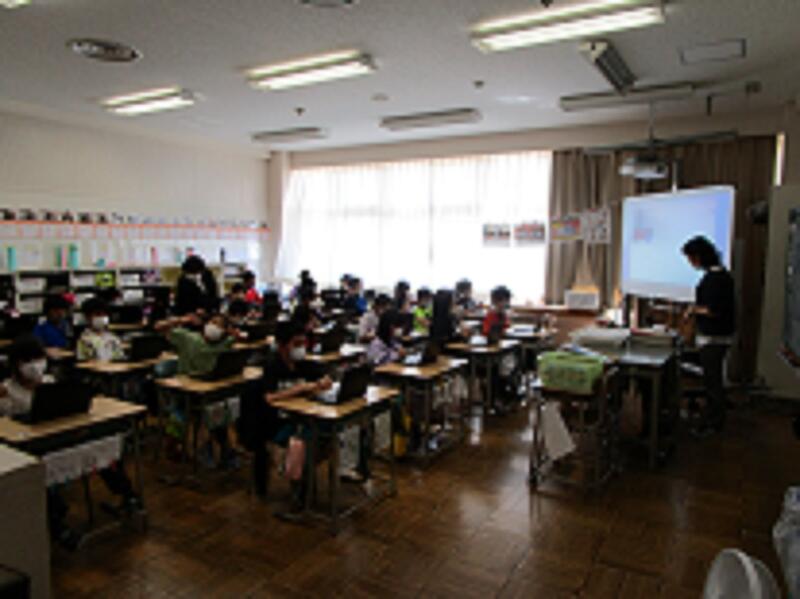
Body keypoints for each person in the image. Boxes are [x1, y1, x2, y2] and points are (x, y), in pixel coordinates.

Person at [0, 336, 139, 549]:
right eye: (28, 361)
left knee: (101, 448)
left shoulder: (50, 383)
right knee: (37, 475)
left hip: (61, 438)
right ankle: (58, 528)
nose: (36, 365)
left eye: (38, 358)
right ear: (16, 365)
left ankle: (128, 495)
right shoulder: (6, 391)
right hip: (33, 448)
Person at [239, 321, 332, 510]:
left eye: (303, 343)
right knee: (303, 442)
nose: (301, 348)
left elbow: (325, 376)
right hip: (275, 422)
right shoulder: (272, 367)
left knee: (326, 434)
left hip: (300, 418)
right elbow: (270, 397)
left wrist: (324, 382)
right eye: (296, 344)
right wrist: (300, 388)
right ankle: (300, 495)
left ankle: (305, 489)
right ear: (282, 346)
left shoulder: (304, 364)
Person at [155, 312, 242, 467]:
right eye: (213, 322)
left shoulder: (223, 344)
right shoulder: (188, 337)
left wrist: (233, 333)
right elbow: (158, 327)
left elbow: (241, 338)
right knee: (187, 413)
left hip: (207, 391)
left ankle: (222, 448)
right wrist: (181, 319)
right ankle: (183, 447)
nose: (215, 327)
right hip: (185, 390)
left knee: (220, 409)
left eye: (220, 326)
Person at [682, 235, 736, 435]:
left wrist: (693, 310)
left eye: (691, 258)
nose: (690, 263)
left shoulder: (716, 279)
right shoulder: (719, 276)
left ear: (699, 256)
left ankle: (714, 423)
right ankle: (711, 418)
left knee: (713, 383)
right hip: (716, 337)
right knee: (712, 380)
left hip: (715, 338)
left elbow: (714, 310)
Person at [77, 298, 125, 362]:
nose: (102, 317)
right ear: (87, 317)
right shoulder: (83, 339)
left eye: (105, 315)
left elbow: (120, 358)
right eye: (98, 314)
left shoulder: (113, 338)